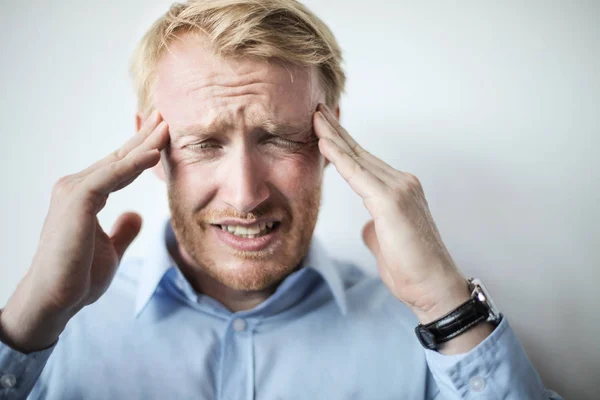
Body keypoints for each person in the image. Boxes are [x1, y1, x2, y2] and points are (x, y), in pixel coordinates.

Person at [0, 1, 562, 399]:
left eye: (279, 138)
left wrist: (449, 308)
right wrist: (28, 324)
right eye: (203, 143)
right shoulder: (51, 336)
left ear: (331, 142)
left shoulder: (433, 345)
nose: (246, 194)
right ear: (151, 147)